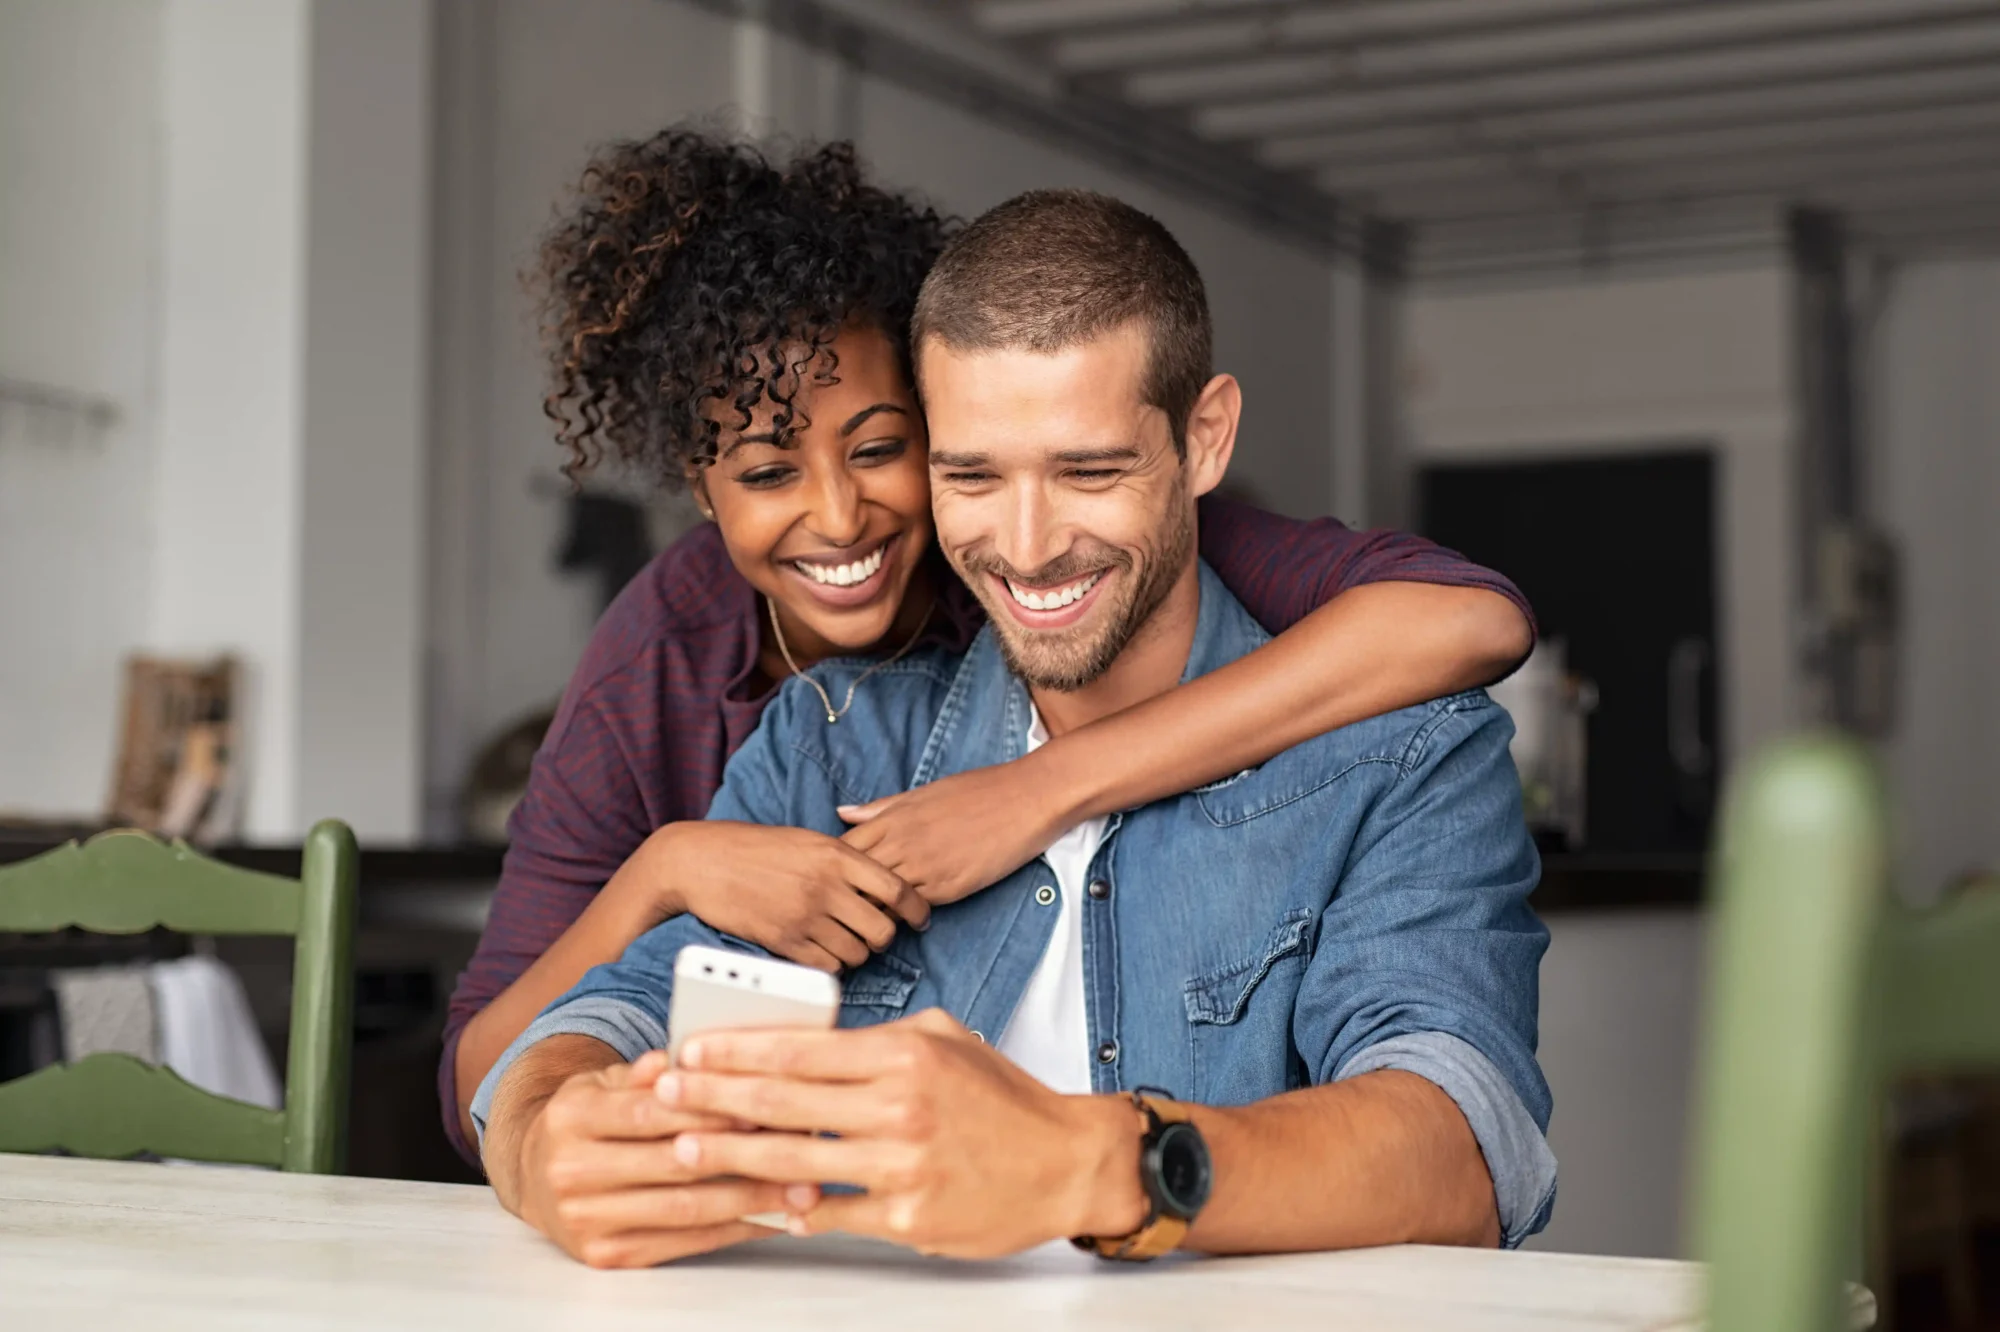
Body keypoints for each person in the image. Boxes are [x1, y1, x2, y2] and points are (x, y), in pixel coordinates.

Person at [473, 189, 1554, 1269]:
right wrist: (542, 1143)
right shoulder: (828, 741)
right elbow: (595, 1023)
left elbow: (1458, 1149)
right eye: (971, 475)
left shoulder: (1405, 755)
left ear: (1203, 438)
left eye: (1088, 471)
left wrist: (1091, 1163)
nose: (1028, 547)